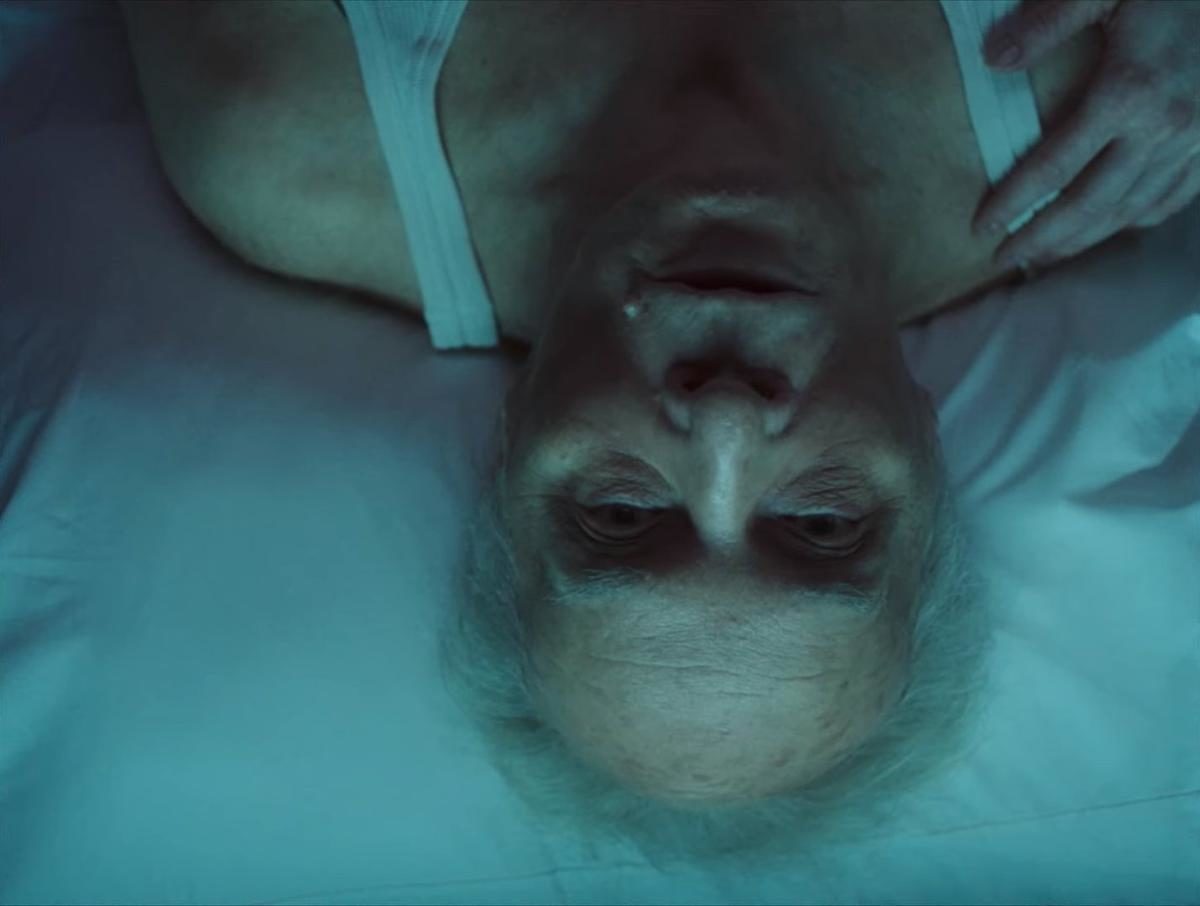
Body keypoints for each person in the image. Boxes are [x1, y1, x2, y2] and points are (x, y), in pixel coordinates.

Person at [119, 0, 1200, 866]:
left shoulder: (290, 124)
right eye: (822, 523)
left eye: (621, 511)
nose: (727, 419)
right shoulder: (1100, 93)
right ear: (926, 451)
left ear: (509, 450)